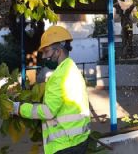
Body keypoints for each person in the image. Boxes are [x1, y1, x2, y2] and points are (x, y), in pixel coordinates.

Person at [11, 26, 91, 154]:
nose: (45, 56)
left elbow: (48, 112)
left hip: (64, 145)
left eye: (47, 51)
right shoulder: (72, 69)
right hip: (79, 140)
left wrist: (18, 108)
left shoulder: (59, 76)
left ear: (58, 51)